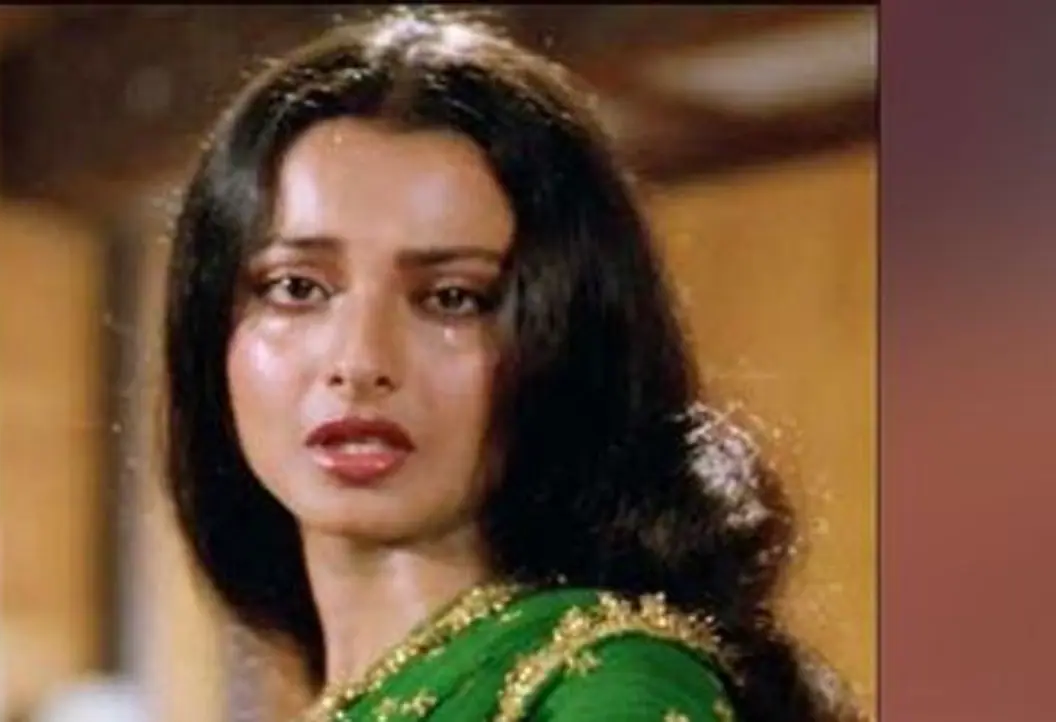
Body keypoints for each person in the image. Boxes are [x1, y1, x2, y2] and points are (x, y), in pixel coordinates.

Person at [163, 8, 862, 722]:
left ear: (569, 338)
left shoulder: (606, 689)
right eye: (296, 288)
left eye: (452, 298)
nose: (361, 361)